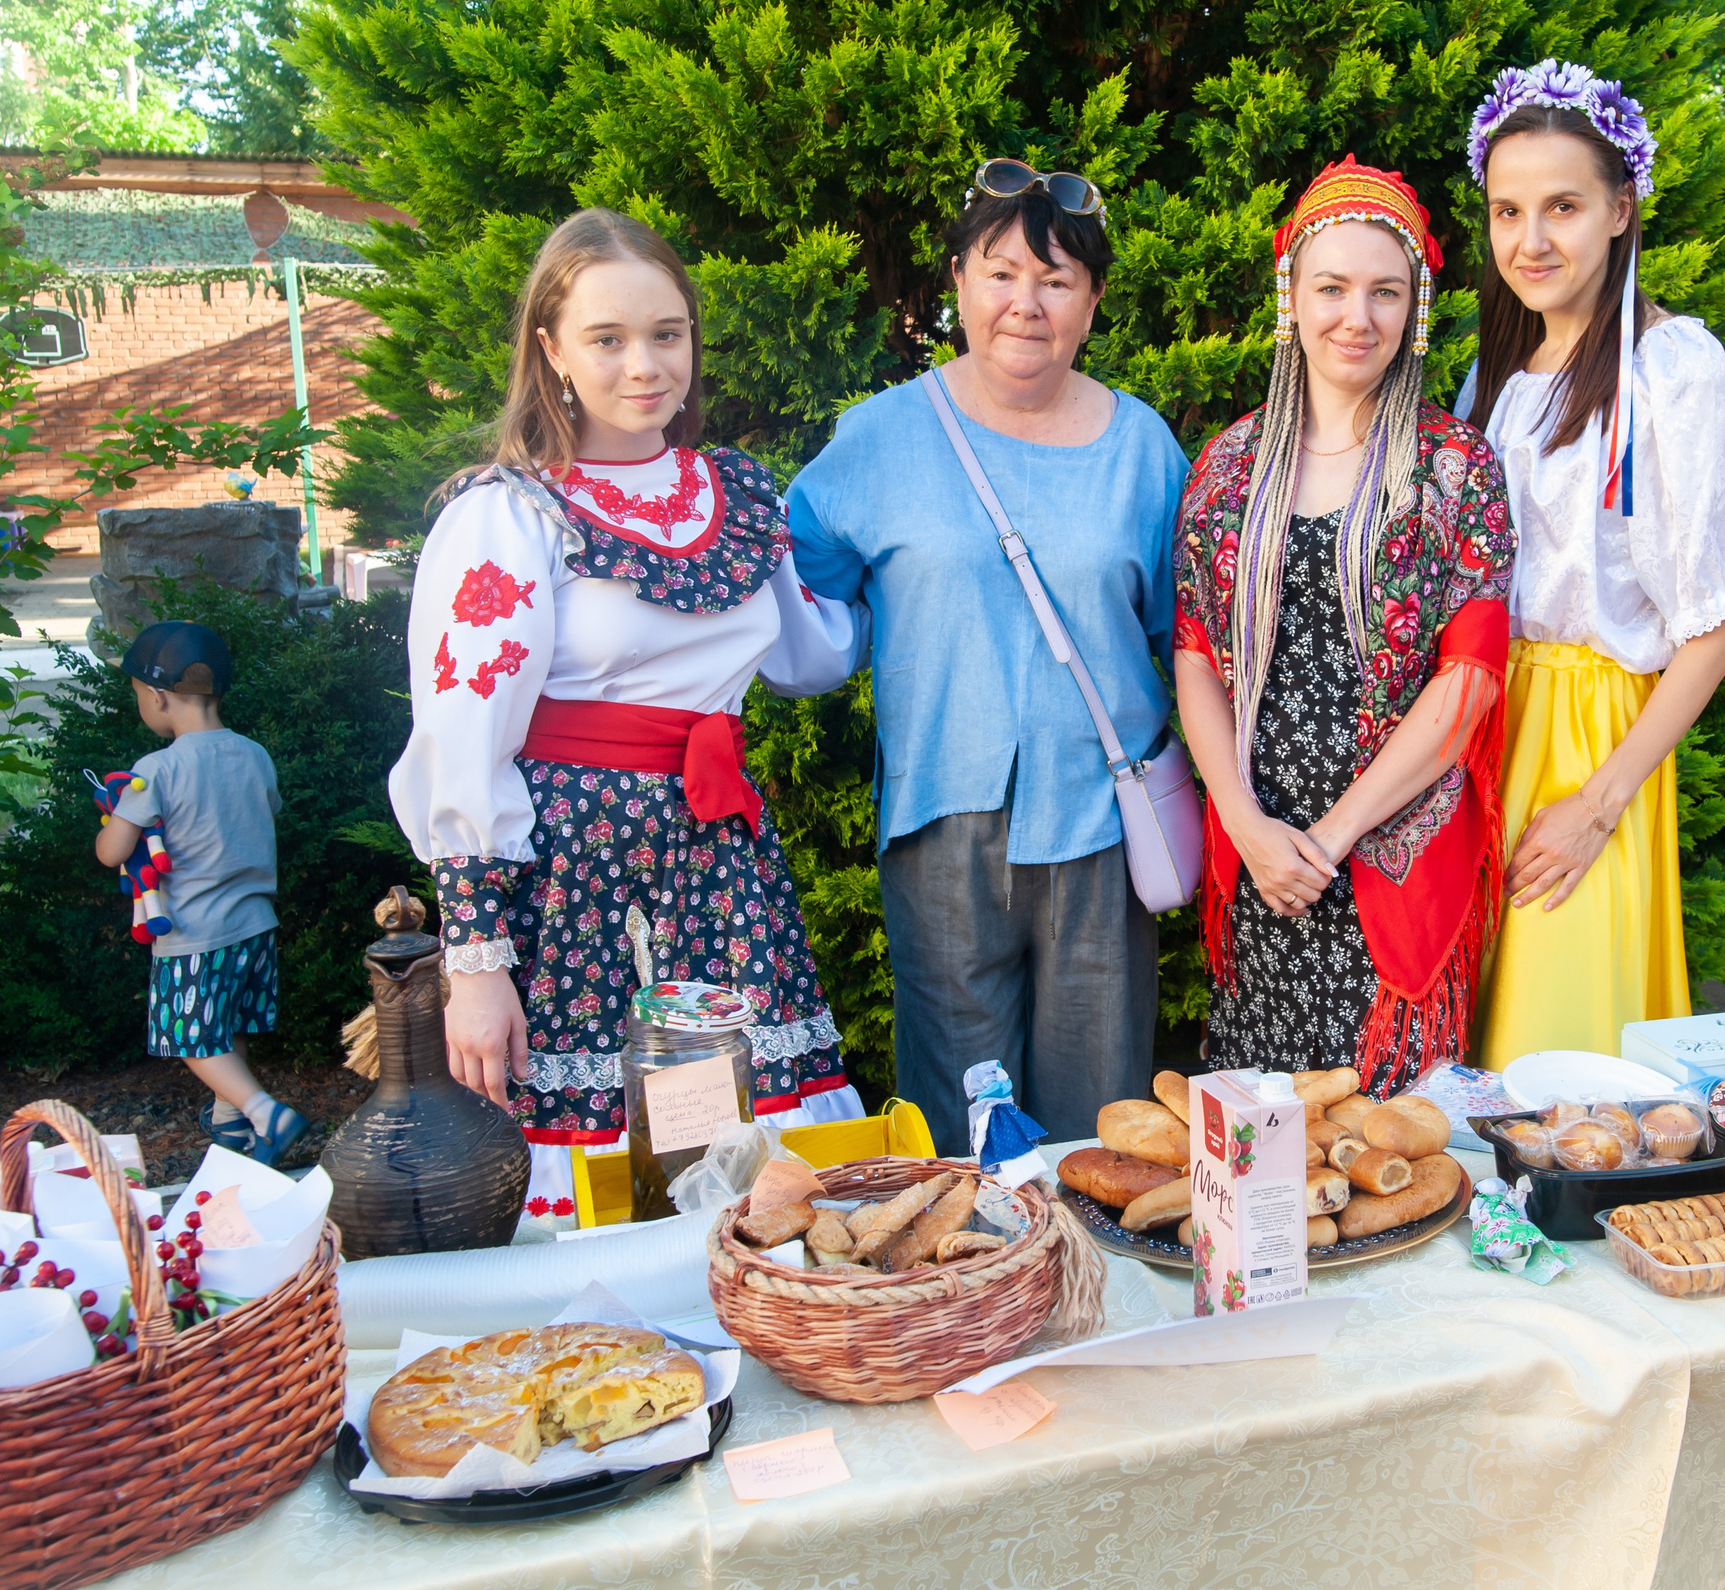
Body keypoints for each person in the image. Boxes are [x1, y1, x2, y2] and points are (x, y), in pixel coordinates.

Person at [389, 207, 866, 1223]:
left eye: (666, 333)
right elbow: (464, 748)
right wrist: (475, 962)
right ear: (551, 350)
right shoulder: (509, 515)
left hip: (723, 868)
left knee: (745, 1166)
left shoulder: (735, 492)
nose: (643, 365)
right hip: (576, 888)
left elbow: (805, 652)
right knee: (611, 1168)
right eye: (606, 339)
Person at [787, 162, 1190, 1152]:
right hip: (940, 826)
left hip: (1102, 826)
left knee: (1102, 1124)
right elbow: (789, 587)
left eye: (1057, 281)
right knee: (959, 1124)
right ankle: (967, 1301)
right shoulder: (877, 440)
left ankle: (1103, 1305)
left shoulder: (1143, 448)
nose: (1027, 303)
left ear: (1092, 304)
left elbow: (1189, 642)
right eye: (1002, 271)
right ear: (958, 282)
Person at [1173, 158, 1512, 1097]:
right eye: (1332, 287)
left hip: (1386, 858)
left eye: (1384, 292)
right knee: (1263, 1152)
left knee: (1391, 1155)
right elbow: (1196, 654)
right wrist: (1248, 829)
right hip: (1262, 865)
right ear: (1292, 296)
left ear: (1416, 309)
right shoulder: (1230, 465)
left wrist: (1327, 839)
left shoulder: (1454, 468)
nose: (1355, 317)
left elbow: (1470, 679)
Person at [1457, 63, 1725, 1062]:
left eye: (1563, 207)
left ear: (1621, 209)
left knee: (1556, 1061)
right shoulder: (1500, 376)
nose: (1530, 240)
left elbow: (1714, 627)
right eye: (1507, 210)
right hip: (1483, 734)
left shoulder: (1671, 368)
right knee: (1469, 1048)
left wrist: (1596, 807)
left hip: (1590, 743)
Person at [94, 621, 307, 1165]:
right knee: (227, 1026)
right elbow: (266, 810)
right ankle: (231, 1122)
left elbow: (112, 852)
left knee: (192, 1037)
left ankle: (266, 1112)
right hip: (256, 926)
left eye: (140, 696)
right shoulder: (254, 754)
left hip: (193, 931)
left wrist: (112, 817)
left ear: (159, 696)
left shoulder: (155, 770)